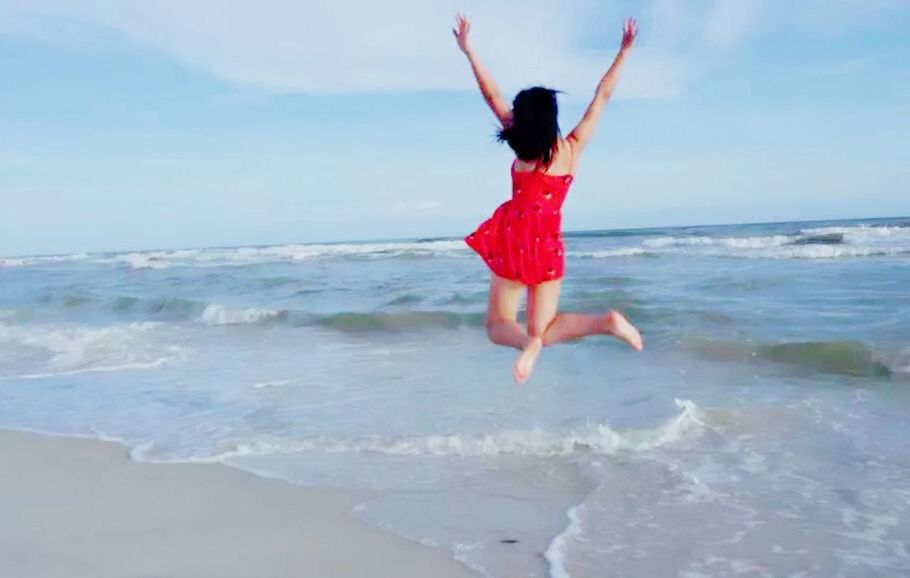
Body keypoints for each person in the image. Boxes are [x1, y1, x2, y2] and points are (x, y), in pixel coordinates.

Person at [454, 14, 644, 383]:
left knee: (497, 325)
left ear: (523, 117)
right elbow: (602, 96)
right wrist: (624, 52)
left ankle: (528, 346)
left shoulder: (521, 144)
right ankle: (608, 323)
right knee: (546, 328)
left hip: (514, 240)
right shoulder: (572, 149)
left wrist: (468, 50)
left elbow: (490, 93)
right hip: (547, 245)